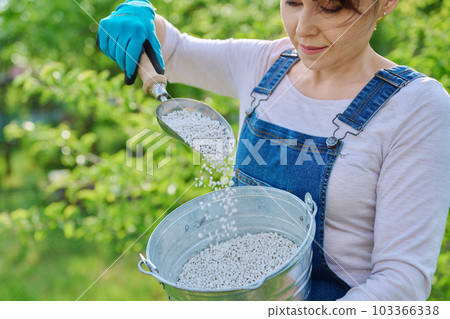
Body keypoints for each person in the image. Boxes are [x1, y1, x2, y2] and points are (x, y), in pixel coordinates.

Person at [97, 0, 450, 300]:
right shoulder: (266, 64)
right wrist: (140, 14)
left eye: (329, 8)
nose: (303, 29)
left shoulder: (416, 106)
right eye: (293, 2)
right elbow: (170, 49)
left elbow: (402, 283)